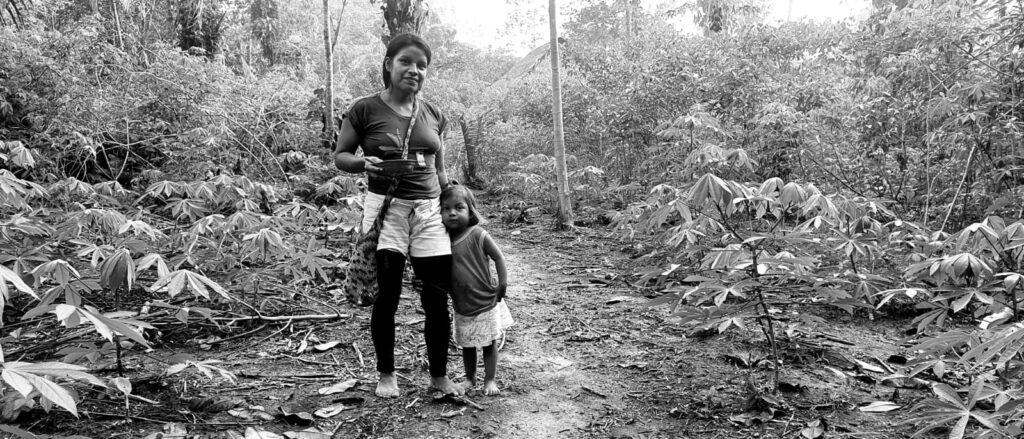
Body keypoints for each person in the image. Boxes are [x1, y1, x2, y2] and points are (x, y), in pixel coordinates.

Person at [333, 33, 462, 397]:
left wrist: (455, 205)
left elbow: (439, 169)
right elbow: (341, 156)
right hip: (386, 210)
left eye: (422, 65)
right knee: (387, 296)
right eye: (406, 61)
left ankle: (439, 376)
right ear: (389, 64)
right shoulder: (364, 109)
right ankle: (386, 374)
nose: (414, 70)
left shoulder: (434, 114)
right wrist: (364, 163)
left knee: (436, 296)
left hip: (429, 211)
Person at [440, 184, 513, 396]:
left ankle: (489, 379)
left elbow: (498, 257)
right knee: (468, 344)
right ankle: (470, 377)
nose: (452, 213)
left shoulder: (478, 234)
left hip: (485, 301)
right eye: (446, 208)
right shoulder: (442, 240)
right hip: (462, 304)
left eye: (459, 207)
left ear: (470, 211)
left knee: (489, 343)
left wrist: (503, 283)